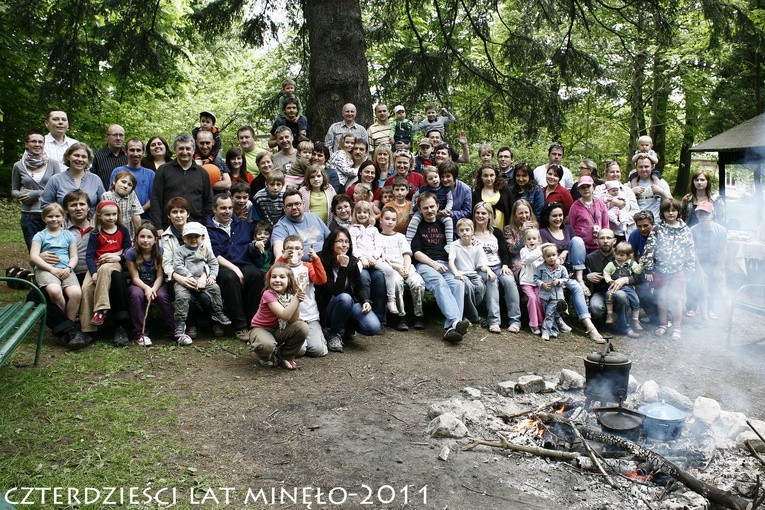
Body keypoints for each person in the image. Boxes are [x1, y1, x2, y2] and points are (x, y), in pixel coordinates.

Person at [411, 192, 471, 343]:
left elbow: (459, 241)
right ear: (420, 209)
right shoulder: (417, 225)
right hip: (426, 265)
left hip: (446, 265)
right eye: (425, 208)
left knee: (458, 284)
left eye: (432, 206)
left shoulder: (445, 224)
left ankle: (451, 329)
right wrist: (434, 264)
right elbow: (416, 252)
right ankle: (456, 322)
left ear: (438, 206)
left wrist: (473, 238)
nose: (430, 210)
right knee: (440, 284)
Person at [206, 194, 264, 341]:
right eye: (223, 208)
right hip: (221, 265)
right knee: (230, 278)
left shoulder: (243, 225)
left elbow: (251, 246)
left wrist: (255, 246)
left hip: (244, 263)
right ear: (214, 209)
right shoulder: (207, 229)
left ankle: (255, 322)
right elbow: (214, 255)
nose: (227, 211)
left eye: (230, 208)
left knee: (256, 275)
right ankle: (240, 326)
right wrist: (235, 269)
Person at [316, 228, 382, 352]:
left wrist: (365, 300)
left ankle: (347, 326)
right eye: (340, 241)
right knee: (345, 298)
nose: (344, 245)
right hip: (328, 306)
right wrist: (343, 267)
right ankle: (334, 334)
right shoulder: (321, 260)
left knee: (373, 327)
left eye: (347, 241)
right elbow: (335, 291)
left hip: (348, 303)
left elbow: (359, 286)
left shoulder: (351, 260)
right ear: (331, 243)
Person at [160, 197, 216, 339]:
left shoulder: (201, 230)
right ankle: (190, 325)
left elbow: (208, 255)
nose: (178, 215)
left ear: (188, 213)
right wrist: (180, 278)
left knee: (205, 295)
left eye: (182, 211)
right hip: (179, 276)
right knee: (187, 297)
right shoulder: (166, 236)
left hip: (201, 273)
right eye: (174, 212)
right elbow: (167, 264)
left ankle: (215, 321)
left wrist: (204, 277)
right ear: (169, 215)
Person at [641, 199, 695, 341]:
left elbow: (690, 251)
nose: (670, 213)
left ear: (678, 212)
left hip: (678, 270)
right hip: (660, 270)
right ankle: (663, 324)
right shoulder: (658, 229)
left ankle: (677, 328)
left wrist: (690, 270)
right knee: (661, 298)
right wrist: (649, 269)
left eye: (673, 210)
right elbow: (649, 249)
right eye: (667, 210)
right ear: (662, 213)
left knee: (676, 299)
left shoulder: (685, 230)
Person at [80, 201, 132, 346]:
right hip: (97, 266)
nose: (111, 217)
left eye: (114, 214)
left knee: (104, 269)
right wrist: (93, 273)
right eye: (107, 214)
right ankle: (87, 329)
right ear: (100, 216)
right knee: (86, 288)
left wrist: (118, 257)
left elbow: (129, 250)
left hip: (114, 264)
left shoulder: (122, 230)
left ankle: (101, 309)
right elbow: (90, 255)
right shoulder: (96, 233)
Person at [173, 221, 231, 346]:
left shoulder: (205, 249)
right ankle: (181, 321)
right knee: (182, 296)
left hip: (203, 278)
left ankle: (218, 312)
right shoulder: (180, 251)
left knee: (215, 288)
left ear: (202, 237)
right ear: (184, 238)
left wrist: (212, 276)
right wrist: (188, 276)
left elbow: (213, 263)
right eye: (189, 237)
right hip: (186, 280)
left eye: (196, 236)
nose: (193, 239)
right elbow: (177, 266)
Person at [472, 201, 522, 333]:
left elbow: (504, 253)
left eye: (483, 213)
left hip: (498, 265)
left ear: (490, 215)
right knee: (491, 281)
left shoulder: (496, 232)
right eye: (477, 213)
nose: (480, 216)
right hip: (481, 268)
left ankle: (515, 320)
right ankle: (494, 321)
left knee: (510, 281)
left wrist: (505, 265)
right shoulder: (470, 233)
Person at [274, 236, 328, 357]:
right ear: (284, 251)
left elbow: (321, 280)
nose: (294, 251)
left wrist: (315, 259)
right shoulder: (281, 268)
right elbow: (269, 277)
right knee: (300, 351)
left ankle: (317, 338)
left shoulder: (307, 266)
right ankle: (285, 345)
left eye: (298, 248)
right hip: (291, 319)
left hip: (310, 316)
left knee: (318, 350)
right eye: (290, 248)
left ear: (303, 251)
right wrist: (282, 258)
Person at [248, 262, 308, 369]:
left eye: (282, 277)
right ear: (269, 279)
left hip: (280, 329)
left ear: (289, 280)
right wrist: (296, 298)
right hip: (262, 329)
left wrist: (297, 299)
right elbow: (284, 315)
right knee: (267, 345)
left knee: (302, 327)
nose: (277, 280)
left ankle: (285, 356)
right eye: (273, 277)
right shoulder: (268, 294)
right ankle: (265, 357)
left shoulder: (290, 294)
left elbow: (292, 319)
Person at [29, 203, 81, 323]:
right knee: (55, 291)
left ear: (63, 217)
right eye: (50, 216)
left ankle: (70, 323)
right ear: (44, 218)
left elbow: (74, 256)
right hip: (46, 270)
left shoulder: (68, 235)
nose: (54, 219)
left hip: (65, 269)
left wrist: (69, 268)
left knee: (76, 293)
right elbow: (34, 256)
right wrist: (51, 269)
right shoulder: (40, 236)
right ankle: (62, 322)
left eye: (57, 216)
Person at [150, 133, 214, 230]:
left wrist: (204, 226)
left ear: (193, 150)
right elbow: (155, 199)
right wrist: (158, 227)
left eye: (188, 149)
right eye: (181, 148)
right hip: (168, 227)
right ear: (175, 149)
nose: (184, 152)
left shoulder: (202, 173)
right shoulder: (163, 170)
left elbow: (208, 202)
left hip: (196, 228)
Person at [125, 223, 174, 346]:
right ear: (136, 238)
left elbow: (160, 276)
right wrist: (147, 288)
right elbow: (135, 277)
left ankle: (175, 329)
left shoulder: (160, 253)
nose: (145, 240)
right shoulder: (131, 253)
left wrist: (153, 289)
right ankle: (140, 333)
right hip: (139, 284)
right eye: (142, 237)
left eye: (149, 237)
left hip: (156, 283)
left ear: (155, 239)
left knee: (162, 296)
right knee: (136, 295)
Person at [586, 228, 640, 339]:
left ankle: (625, 327)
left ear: (614, 241)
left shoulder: (623, 253)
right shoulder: (591, 258)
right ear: (597, 241)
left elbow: (639, 277)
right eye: (602, 238)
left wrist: (625, 280)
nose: (605, 241)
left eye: (608, 238)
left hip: (622, 291)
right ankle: (604, 323)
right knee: (595, 307)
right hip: (601, 292)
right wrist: (587, 277)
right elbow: (580, 277)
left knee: (620, 295)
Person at [12, 129, 62, 249]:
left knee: (53, 249)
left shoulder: (53, 164)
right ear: (26, 144)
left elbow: (58, 188)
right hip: (29, 215)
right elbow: (14, 190)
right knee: (34, 250)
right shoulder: (18, 166)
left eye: (40, 142)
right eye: (33, 141)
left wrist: (35, 193)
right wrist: (21, 195)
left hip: (51, 214)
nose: (37, 144)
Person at [349, 201, 400, 315]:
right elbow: (353, 247)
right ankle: (359, 301)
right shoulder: (353, 229)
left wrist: (374, 257)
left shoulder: (374, 229)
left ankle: (391, 300)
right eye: (359, 212)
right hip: (360, 259)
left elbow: (379, 246)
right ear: (355, 214)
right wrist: (361, 258)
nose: (362, 215)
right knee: (356, 272)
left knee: (389, 270)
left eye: (365, 212)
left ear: (370, 214)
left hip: (373, 258)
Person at [379, 207, 425, 331]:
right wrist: (398, 268)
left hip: (406, 266)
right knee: (397, 283)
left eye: (393, 219)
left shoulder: (400, 237)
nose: (390, 222)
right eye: (387, 219)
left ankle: (418, 315)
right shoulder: (377, 237)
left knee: (417, 283)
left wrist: (406, 268)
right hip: (391, 268)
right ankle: (401, 316)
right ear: (381, 220)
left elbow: (407, 255)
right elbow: (381, 259)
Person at [448, 218, 495, 325]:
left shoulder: (477, 246)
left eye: (467, 230)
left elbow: (482, 264)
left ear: (472, 231)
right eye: (462, 230)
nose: (465, 232)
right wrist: (456, 273)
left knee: (480, 287)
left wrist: (489, 271)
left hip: (473, 273)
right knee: (468, 287)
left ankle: (467, 313)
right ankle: (475, 317)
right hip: (461, 274)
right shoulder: (454, 245)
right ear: (458, 233)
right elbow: (451, 262)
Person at [687, 202, 727, 320]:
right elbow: (692, 252)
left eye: (707, 214)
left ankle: (711, 310)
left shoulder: (721, 230)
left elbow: (723, 250)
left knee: (716, 286)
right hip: (699, 263)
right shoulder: (692, 230)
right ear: (697, 216)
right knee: (697, 285)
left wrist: (718, 268)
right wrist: (699, 270)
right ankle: (693, 309)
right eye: (701, 214)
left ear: (712, 215)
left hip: (715, 263)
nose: (704, 217)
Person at [41, 142, 105, 215]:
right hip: (63, 225)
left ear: (88, 160)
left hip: (91, 224)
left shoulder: (95, 179)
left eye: (84, 157)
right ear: (68, 157)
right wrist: (57, 217)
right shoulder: (55, 179)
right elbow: (45, 205)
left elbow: (104, 203)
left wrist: (96, 217)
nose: (80, 159)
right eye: (76, 155)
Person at [603, 242, 644, 332]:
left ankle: (635, 319)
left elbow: (637, 271)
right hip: (614, 286)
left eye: (622, 255)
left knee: (635, 300)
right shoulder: (612, 264)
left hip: (628, 287)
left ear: (628, 256)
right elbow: (606, 272)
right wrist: (609, 280)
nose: (618, 257)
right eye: (617, 254)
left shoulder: (631, 263)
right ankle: (609, 315)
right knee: (609, 294)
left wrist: (641, 265)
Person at [110, 138, 154, 220]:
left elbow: (154, 198)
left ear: (143, 153)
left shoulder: (150, 174)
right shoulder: (118, 171)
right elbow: (112, 195)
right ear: (126, 152)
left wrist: (138, 211)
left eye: (138, 150)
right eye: (132, 150)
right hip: (120, 219)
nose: (135, 153)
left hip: (145, 219)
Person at [534, 244, 570, 341]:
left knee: (550, 313)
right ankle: (554, 330)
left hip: (556, 296)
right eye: (548, 256)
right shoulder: (540, 268)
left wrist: (559, 281)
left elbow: (566, 278)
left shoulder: (562, 268)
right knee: (549, 313)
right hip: (544, 296)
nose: (551, 258)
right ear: (544, 257)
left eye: (553, 255)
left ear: (557, 255)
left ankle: (545, 331)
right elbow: (536, 278)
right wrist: (542, 284)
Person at [407, 166, 454, 242]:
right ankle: (408, 240)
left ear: (439, 176)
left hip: (440, 212)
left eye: (436, 177)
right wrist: (412, 210)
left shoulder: (445, 189)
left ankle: (449, 243)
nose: (434, 180)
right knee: (414, 220)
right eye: (430, 179)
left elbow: (450, 200)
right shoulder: (424, 188)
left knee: (448, 221)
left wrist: (447, 210)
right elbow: (414, 196)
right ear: (426, 181)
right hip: (424, 212)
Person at [567, 176, 609, 252]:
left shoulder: (601, 204)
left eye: (588, 186)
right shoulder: (574, 207)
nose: (586, 189)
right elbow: (571, 227)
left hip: (598, 245)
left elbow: (606, 225)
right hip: (581, 246)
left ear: (593, 187)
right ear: (579, 190)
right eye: (582, 187)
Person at [102, 170, 143, 241]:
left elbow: (136, 215)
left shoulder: (132, 195)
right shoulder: (106, 196)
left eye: (129, 185)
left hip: (129, 235)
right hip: (111, 234)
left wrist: (138, 235)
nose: (125, 186)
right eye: (123, 182)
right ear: (114, 181)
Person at [472, 163, 513, 229]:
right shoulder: (475, 194)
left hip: (504, 231)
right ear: (481, 177)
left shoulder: (505, 191)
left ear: (496, 176)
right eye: (485, 175)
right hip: (483, 233)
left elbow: (512, 211)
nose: (489, 178)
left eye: (491, 175)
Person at [504, 199, 539, 276]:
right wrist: (522, 232)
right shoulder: (508, 229)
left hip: (534, 257)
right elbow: (512, 250)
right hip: (518, 260)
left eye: (526, 212)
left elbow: (539, 246)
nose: (524, 216)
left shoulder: (535, 226)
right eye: (520, 213)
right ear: (515, 215)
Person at [519, 228, 544, 335]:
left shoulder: (542, 251)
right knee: (532, 298)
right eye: (529, 239)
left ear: (538, 240)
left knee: (539, 299)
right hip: (526, 281)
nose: (532, 241)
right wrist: (539, 250)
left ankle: (541, 323)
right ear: (525, 241)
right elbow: (527, 259)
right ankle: (534, 324)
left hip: (537, 282)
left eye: (534, 238)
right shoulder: (523, 251)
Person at [630, 154, 671, 219]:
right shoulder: (630, 184)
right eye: (640, 167)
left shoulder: (661, 182)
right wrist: (631, 192)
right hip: (637, 222)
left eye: (646, 166)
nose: (643, 169)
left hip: (657, 221)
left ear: (652, 167)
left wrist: (661, 192)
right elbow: (623, 205)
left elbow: (671, 203)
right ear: (636, 168)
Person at [91, 124, 127, 189]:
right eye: (115, 135)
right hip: (104, 198)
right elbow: (92, 181)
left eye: (121, 135)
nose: (118, 138)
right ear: (106, 137)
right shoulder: (96, 157)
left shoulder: (128, 156)